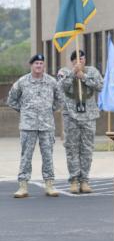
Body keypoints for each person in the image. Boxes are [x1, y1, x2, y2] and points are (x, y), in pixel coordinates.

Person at [7, 54, 62, 198]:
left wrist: (50, 110)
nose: (38, 66)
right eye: (36, 63)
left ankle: (49, 185)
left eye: (41, 63)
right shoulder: (22, 82)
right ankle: (23, 186)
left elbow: (60, 99)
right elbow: (11, 99)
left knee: (48, 155)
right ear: (31, 65)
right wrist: (24, 111)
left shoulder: (51, 82)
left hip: (46, 125)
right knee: (26, 156)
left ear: (44, 66)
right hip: (28, 125)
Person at [57, 49, 104, 194]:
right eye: (77, 60)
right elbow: (60, 87)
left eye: (82, 59)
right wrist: (73, 73)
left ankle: (84, 180)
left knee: (87, 149)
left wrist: (83, 76)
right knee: (72, 149)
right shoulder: (64, 72)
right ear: (72, 62)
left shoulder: (92, 71)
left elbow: (100, 86)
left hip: (88, 117)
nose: (80, 62)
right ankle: (74, 180)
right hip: (71, 116)